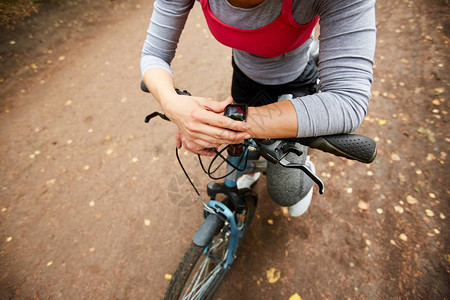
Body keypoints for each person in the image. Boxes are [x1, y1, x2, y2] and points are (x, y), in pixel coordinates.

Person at [140, 0, 376, 216]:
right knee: (236, 153)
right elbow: (153, 54)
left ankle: (303, 163)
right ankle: (252, 170)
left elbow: (348, 100)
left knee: (287, 192)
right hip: (245, 77)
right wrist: (173, 105)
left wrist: (223, 122)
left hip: (295, 82)